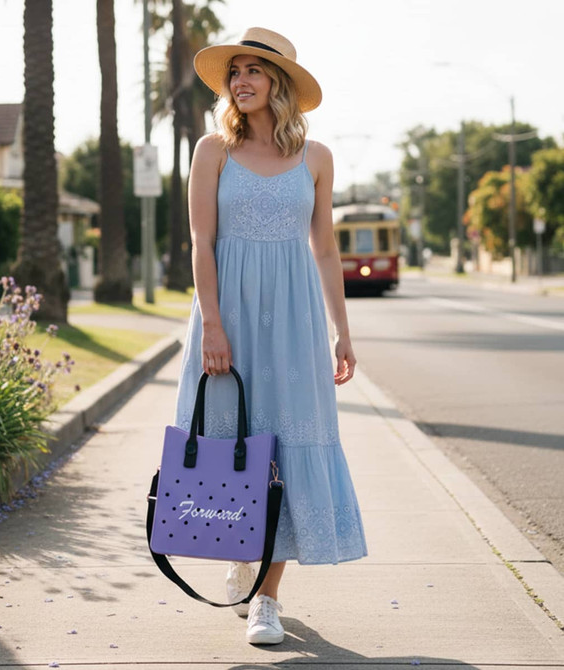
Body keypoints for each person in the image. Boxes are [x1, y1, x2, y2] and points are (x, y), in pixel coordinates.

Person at [174, 27, 368, 645]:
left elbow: (327, 250)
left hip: (294, 323)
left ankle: (266, 598)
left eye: (256, 70)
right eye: (236, 71)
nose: (242, 80)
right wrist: (212, 323)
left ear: (279, 83)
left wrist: (342, 332)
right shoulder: (212, 151)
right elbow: (202, 243)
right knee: (232, 446)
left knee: (284, 447)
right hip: (225, 316)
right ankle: (241, 558)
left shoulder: (316, 158)